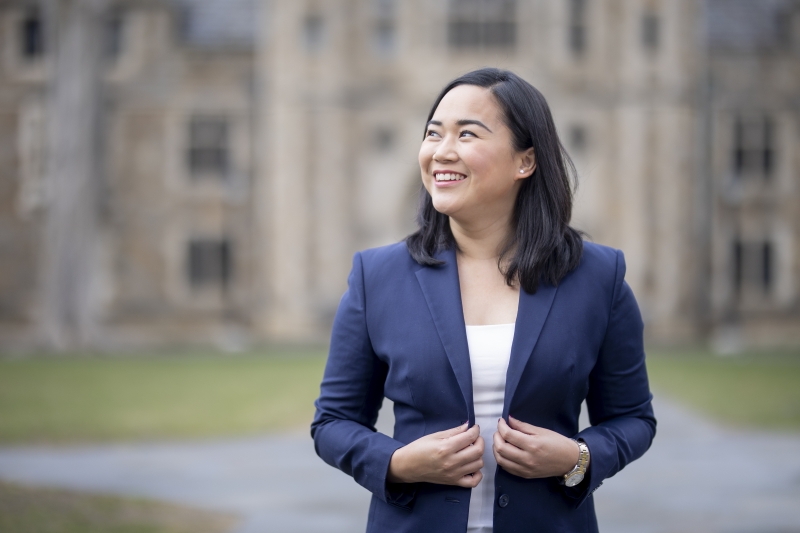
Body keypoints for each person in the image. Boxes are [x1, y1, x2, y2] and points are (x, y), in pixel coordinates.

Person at [311, 68, 656, 533]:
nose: (441, 151)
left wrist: (578, 458)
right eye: (433, 133)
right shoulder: (377, 277)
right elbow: (333, 422)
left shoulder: (598, 277)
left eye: (467, 134)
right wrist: (398, 463)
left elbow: (633, 418)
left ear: (525, 161)